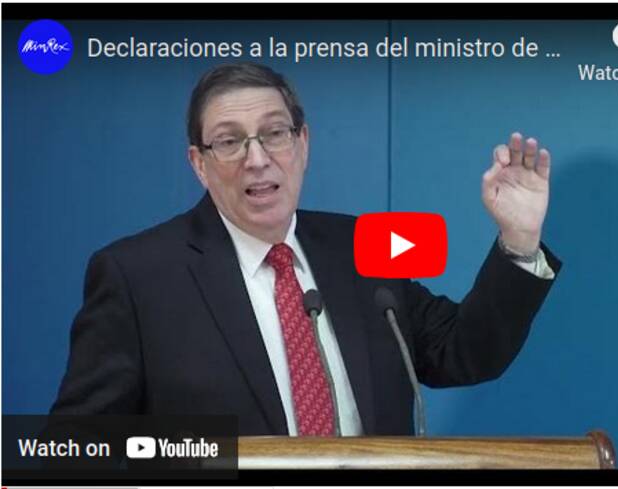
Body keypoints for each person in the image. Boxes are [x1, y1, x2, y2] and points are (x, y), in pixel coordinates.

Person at [51, 62, 561, 436]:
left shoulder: (361, 246)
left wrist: (519, 241)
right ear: (199, 164)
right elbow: (80, 446)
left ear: (303, 142)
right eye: (228, 142)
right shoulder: (138, 275)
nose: (256, 159)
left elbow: (464, 354)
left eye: (274, 133)